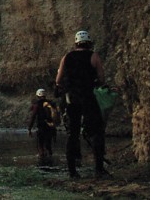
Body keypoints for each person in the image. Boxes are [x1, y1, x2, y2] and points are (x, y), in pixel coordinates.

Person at [55, 30, 108, 178]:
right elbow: (102, 79)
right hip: (88, 97)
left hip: (71, 99)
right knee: (97, 131)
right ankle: (98, 169)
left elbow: (58, 80)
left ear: (76, 43)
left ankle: (72, 171)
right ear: (89, 43)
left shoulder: (66, 57)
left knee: (73, 134)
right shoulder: (94, 56)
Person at [27, 88, 57, 162]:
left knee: (40, 145)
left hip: (41, 128)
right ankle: (50, 159)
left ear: (37, 96)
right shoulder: (50, 103)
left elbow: (33, 117)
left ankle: (41, 160)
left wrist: (29, 128)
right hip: (50, 127)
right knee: (48, 145)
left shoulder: (36, 105)